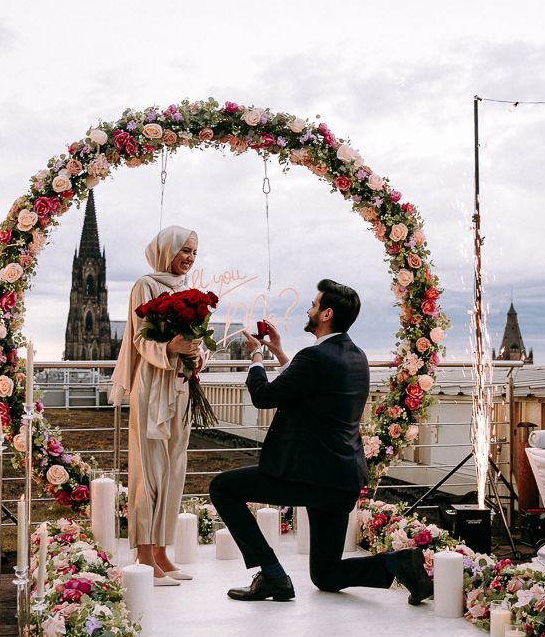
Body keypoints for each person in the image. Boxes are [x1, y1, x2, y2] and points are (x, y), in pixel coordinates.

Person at [209, 279, 433, 603]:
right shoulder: (356, 356)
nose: (309, 309)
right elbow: (311, 389)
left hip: (309, 478)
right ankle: (399, 563)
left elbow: (264, 396)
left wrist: (256, 357)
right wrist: (281, 354)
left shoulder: (314, 358)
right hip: (342, 480)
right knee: (325, 575)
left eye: (314, 304)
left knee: (223, 488)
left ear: (326, 313)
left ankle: (272, 575)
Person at [111, 226, 202, 585]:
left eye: (194, 251)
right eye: (184, 250)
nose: (190, 257)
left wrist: (197, 353)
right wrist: (168, 349)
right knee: (147, 472)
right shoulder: (145, 286)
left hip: (180, 386)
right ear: (166, 250)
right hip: (151, 386)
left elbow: (198, 339)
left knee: (174, 470)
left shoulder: (190, 293)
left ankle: (163, 554)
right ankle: (144, 557)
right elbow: (138, 338)